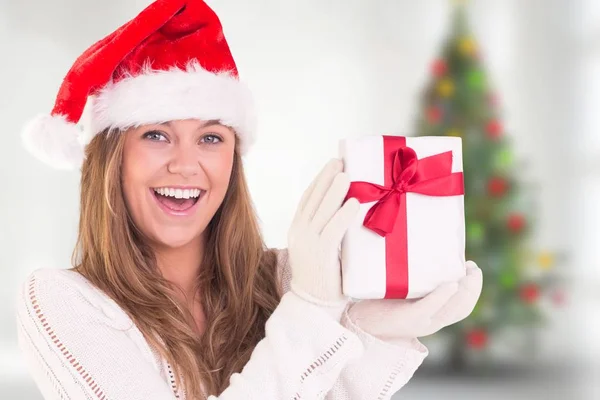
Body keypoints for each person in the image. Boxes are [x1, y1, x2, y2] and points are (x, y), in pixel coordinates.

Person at [15, 0, 483, 399]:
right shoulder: (61, 303)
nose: (186, 165)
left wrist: (377, 331)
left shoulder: (280, 281)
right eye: (157, 135)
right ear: (111, 159)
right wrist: (315, 310)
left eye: (211, 138)